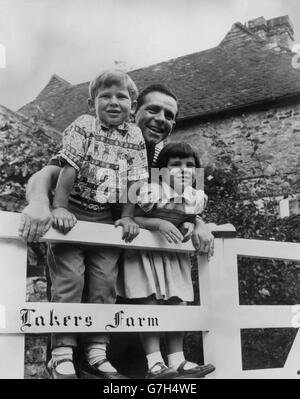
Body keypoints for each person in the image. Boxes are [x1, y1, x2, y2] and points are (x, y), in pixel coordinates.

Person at [19, 83, 215, 379]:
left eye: (169, 114)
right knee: (76, 360)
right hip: (86, 268)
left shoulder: (168, 161)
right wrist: (37, 202)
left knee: (139, 370)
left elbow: (182, 207)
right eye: (153, 109)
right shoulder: (101, 139)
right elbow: (46, 174)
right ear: (134, 110)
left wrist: (199, 223)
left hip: (139, 277)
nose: (160, 118)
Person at [44, 69, 149, 379]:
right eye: (106, 96)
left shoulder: (134, 136)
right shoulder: (84, 125)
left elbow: (134, 181)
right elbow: (69, 169)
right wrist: (60, 207)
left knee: (104, 283)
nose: (114, 102)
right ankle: (61, 355)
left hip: (105, 216)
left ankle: (96, 353)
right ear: (92, 103)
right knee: (70, 279)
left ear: (133, 103)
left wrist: (127, 216)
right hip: (74, 210)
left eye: (122, 97)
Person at [117, 142, 215, 379]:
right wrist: (159, 223)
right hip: (145, 254)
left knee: (178, 302)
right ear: (160, 170)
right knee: (148, 302)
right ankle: (154, 363)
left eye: (190, 165)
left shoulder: (195, 196)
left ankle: (177, 360)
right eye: (175, 165)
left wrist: (191, 223)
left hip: (173, 255)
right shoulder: (151, 190)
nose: (184, 170)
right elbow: (134, 219)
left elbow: (191, 216)